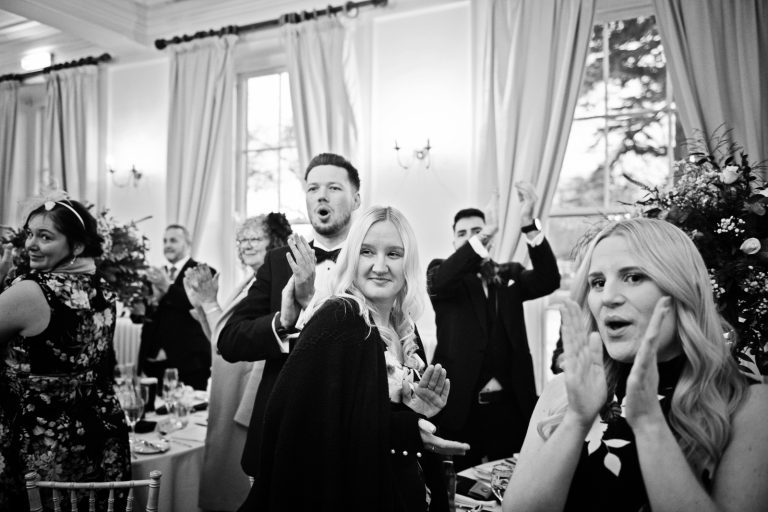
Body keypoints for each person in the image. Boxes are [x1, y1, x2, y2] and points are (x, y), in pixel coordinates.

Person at [504, 218, 768, 512]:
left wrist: (649, 425)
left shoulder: (746, 406)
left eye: (633, 277)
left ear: (681, 288)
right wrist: (576, 420)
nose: (608, 298)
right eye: (598, 283)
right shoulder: (561, 393)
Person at [242, 206, 469, 512]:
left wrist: (417, 411)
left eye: (393, 254)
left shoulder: (405, 326)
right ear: (351, 258)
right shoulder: (341, 319)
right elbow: (308, 429)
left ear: (408, 263)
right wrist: (405, 430)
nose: (380, 265)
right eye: (367, 252)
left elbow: (366, 413)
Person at [217, 152, 362, 477]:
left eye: (334, 188)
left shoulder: (371, 261)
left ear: (356, 199)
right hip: (280, 429)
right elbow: (229, 340)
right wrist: (282, 321)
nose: (321, 195)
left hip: (350, 429)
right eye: (313, 188)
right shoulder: (278, 261)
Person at [0, 198, 131, 510]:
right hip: (100, 433)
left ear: (75, 246)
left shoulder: (32, 291)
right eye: (29, 234)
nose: (31, 244)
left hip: (41, 442)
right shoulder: (102, 289)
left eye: (46, 237)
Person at [427, 182, 560, 468]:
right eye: (462, 234)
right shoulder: (441, 274)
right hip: (462, 406)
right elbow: (441, 281)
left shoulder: (508, 275)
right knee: (460, 485)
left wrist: (529, 226)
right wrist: (485, 234)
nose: (469, 238)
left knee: (510, 480)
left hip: (511, 405)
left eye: (476, 231)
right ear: (453, 243)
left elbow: (549, 280)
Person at [183, 213, 292, 512]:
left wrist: (209, 302)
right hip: (230, 387)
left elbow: (247, 342)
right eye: (241, 240)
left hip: (248, 391)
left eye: (254, 238)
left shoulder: (274, 285)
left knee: (237, 483)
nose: (244, 245)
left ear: (276, 241)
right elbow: (224, 340)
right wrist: (202, 305)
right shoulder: (250, 281)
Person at [137, 224, 214, 390]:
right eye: (165, 241)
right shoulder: (155, 274)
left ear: (187, 243)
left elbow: (197, 304)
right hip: (153, 360)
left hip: (189, 361)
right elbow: (139, 316)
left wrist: (167, 287)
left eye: (173, 240)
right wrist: (149, 302)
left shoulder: (202, 271)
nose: (167, 245)